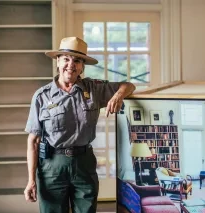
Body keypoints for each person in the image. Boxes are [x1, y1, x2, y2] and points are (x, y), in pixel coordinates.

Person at [23, 36, 136, 213]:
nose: (71, 64)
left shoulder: (93, 89)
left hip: (84, 163)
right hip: (52, 166)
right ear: (58, 62)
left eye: (77, 60)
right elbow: (33, 141)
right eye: (66, 59)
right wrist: (31, 180)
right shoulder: (41, 96)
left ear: (82, 66)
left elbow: (128, 85)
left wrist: (118, 96)